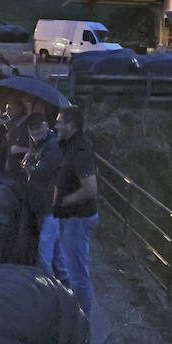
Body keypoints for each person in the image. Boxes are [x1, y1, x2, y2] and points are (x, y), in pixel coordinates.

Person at [52, 105, 98, 314]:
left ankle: (83, 323)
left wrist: (64, 201)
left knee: (78, 276)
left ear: (71, 125)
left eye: (59, 122)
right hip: (70, 217)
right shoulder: (69, 144)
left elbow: (90, 190)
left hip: (77, 219)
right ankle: (75, 313)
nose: (56, 125)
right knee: (72, 270)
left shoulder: (80, 149)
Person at [21, 112, 66, 282]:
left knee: (44, 252)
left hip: (50, 205)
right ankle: (65, 284)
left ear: (46, 126)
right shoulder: (44, 143)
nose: (35, 133)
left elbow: (40, 172)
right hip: (50, 204)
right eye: (32, 131)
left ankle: (46, 286)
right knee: (57, 252)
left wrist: (29, 164)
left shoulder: (52, 146)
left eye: (38, 129)